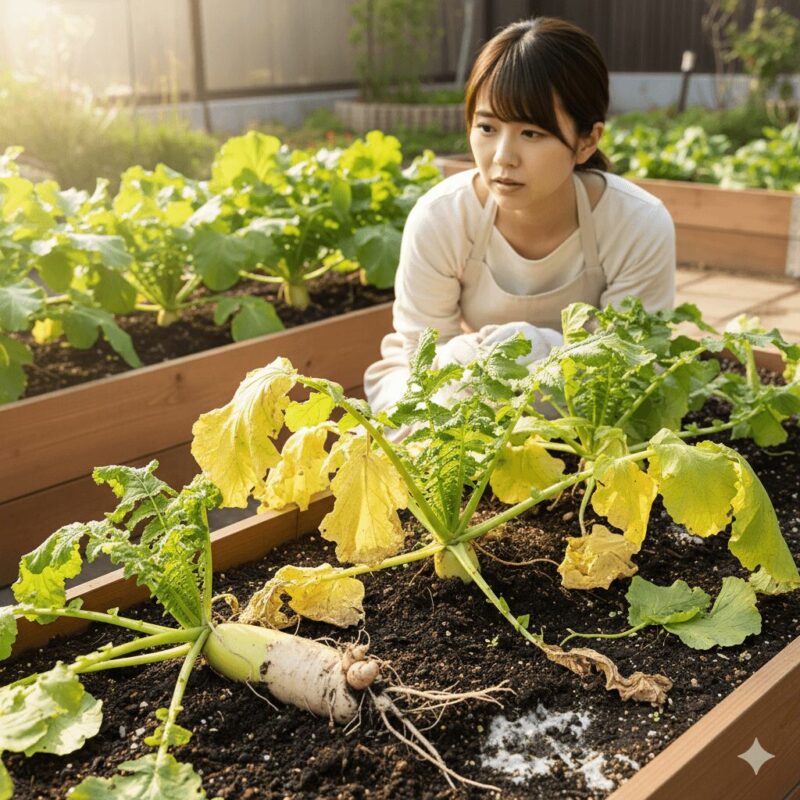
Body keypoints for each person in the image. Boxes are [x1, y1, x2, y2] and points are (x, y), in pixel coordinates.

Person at [363, 16, 676, 413]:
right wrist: (476, 366)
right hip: (461, 387)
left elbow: (628, 364)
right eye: (488, 128)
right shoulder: (441, 218)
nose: (502, 157)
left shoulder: (637, 224)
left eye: (531, 133)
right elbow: (425, 359)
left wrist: (529, 352)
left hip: (581, 398)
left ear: (587, 141)